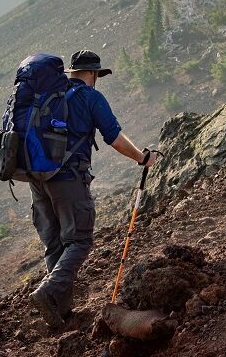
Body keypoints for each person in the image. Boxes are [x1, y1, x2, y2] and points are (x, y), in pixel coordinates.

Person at [28, 50, 158, 329]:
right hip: (68, 179)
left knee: (56, 244)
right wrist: (142, 157)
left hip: (37, 179)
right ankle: (48, 292)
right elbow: (113, 136)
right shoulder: (90, 97)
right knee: (79, 241)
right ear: (94, 74)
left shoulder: (47, 96)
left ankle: (60, 313)